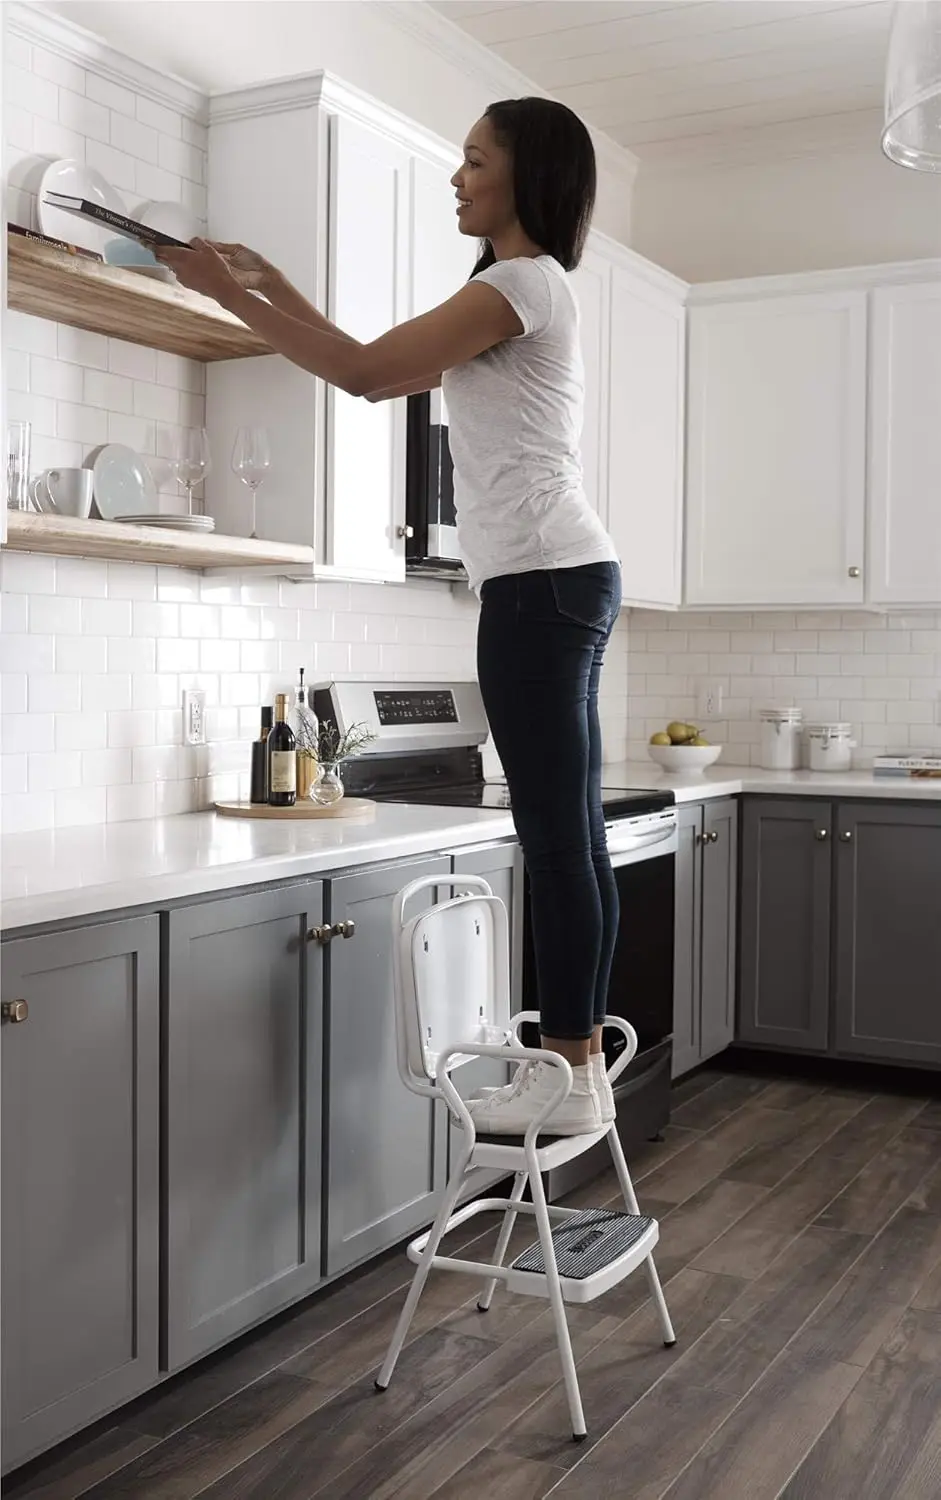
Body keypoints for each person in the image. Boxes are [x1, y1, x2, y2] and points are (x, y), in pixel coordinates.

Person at [157, 97, 622, 1137]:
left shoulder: (516, 283)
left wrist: (226, 297)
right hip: (557, 576)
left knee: (553, 835)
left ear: (524, 176)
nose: (457, 180)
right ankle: (576, 1063)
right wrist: (264, 285)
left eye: (473, 162)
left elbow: (361, 373)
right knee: (568, 833)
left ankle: (570, 1072)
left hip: (539, 584)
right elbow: (374, 368)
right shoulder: (515, 292)